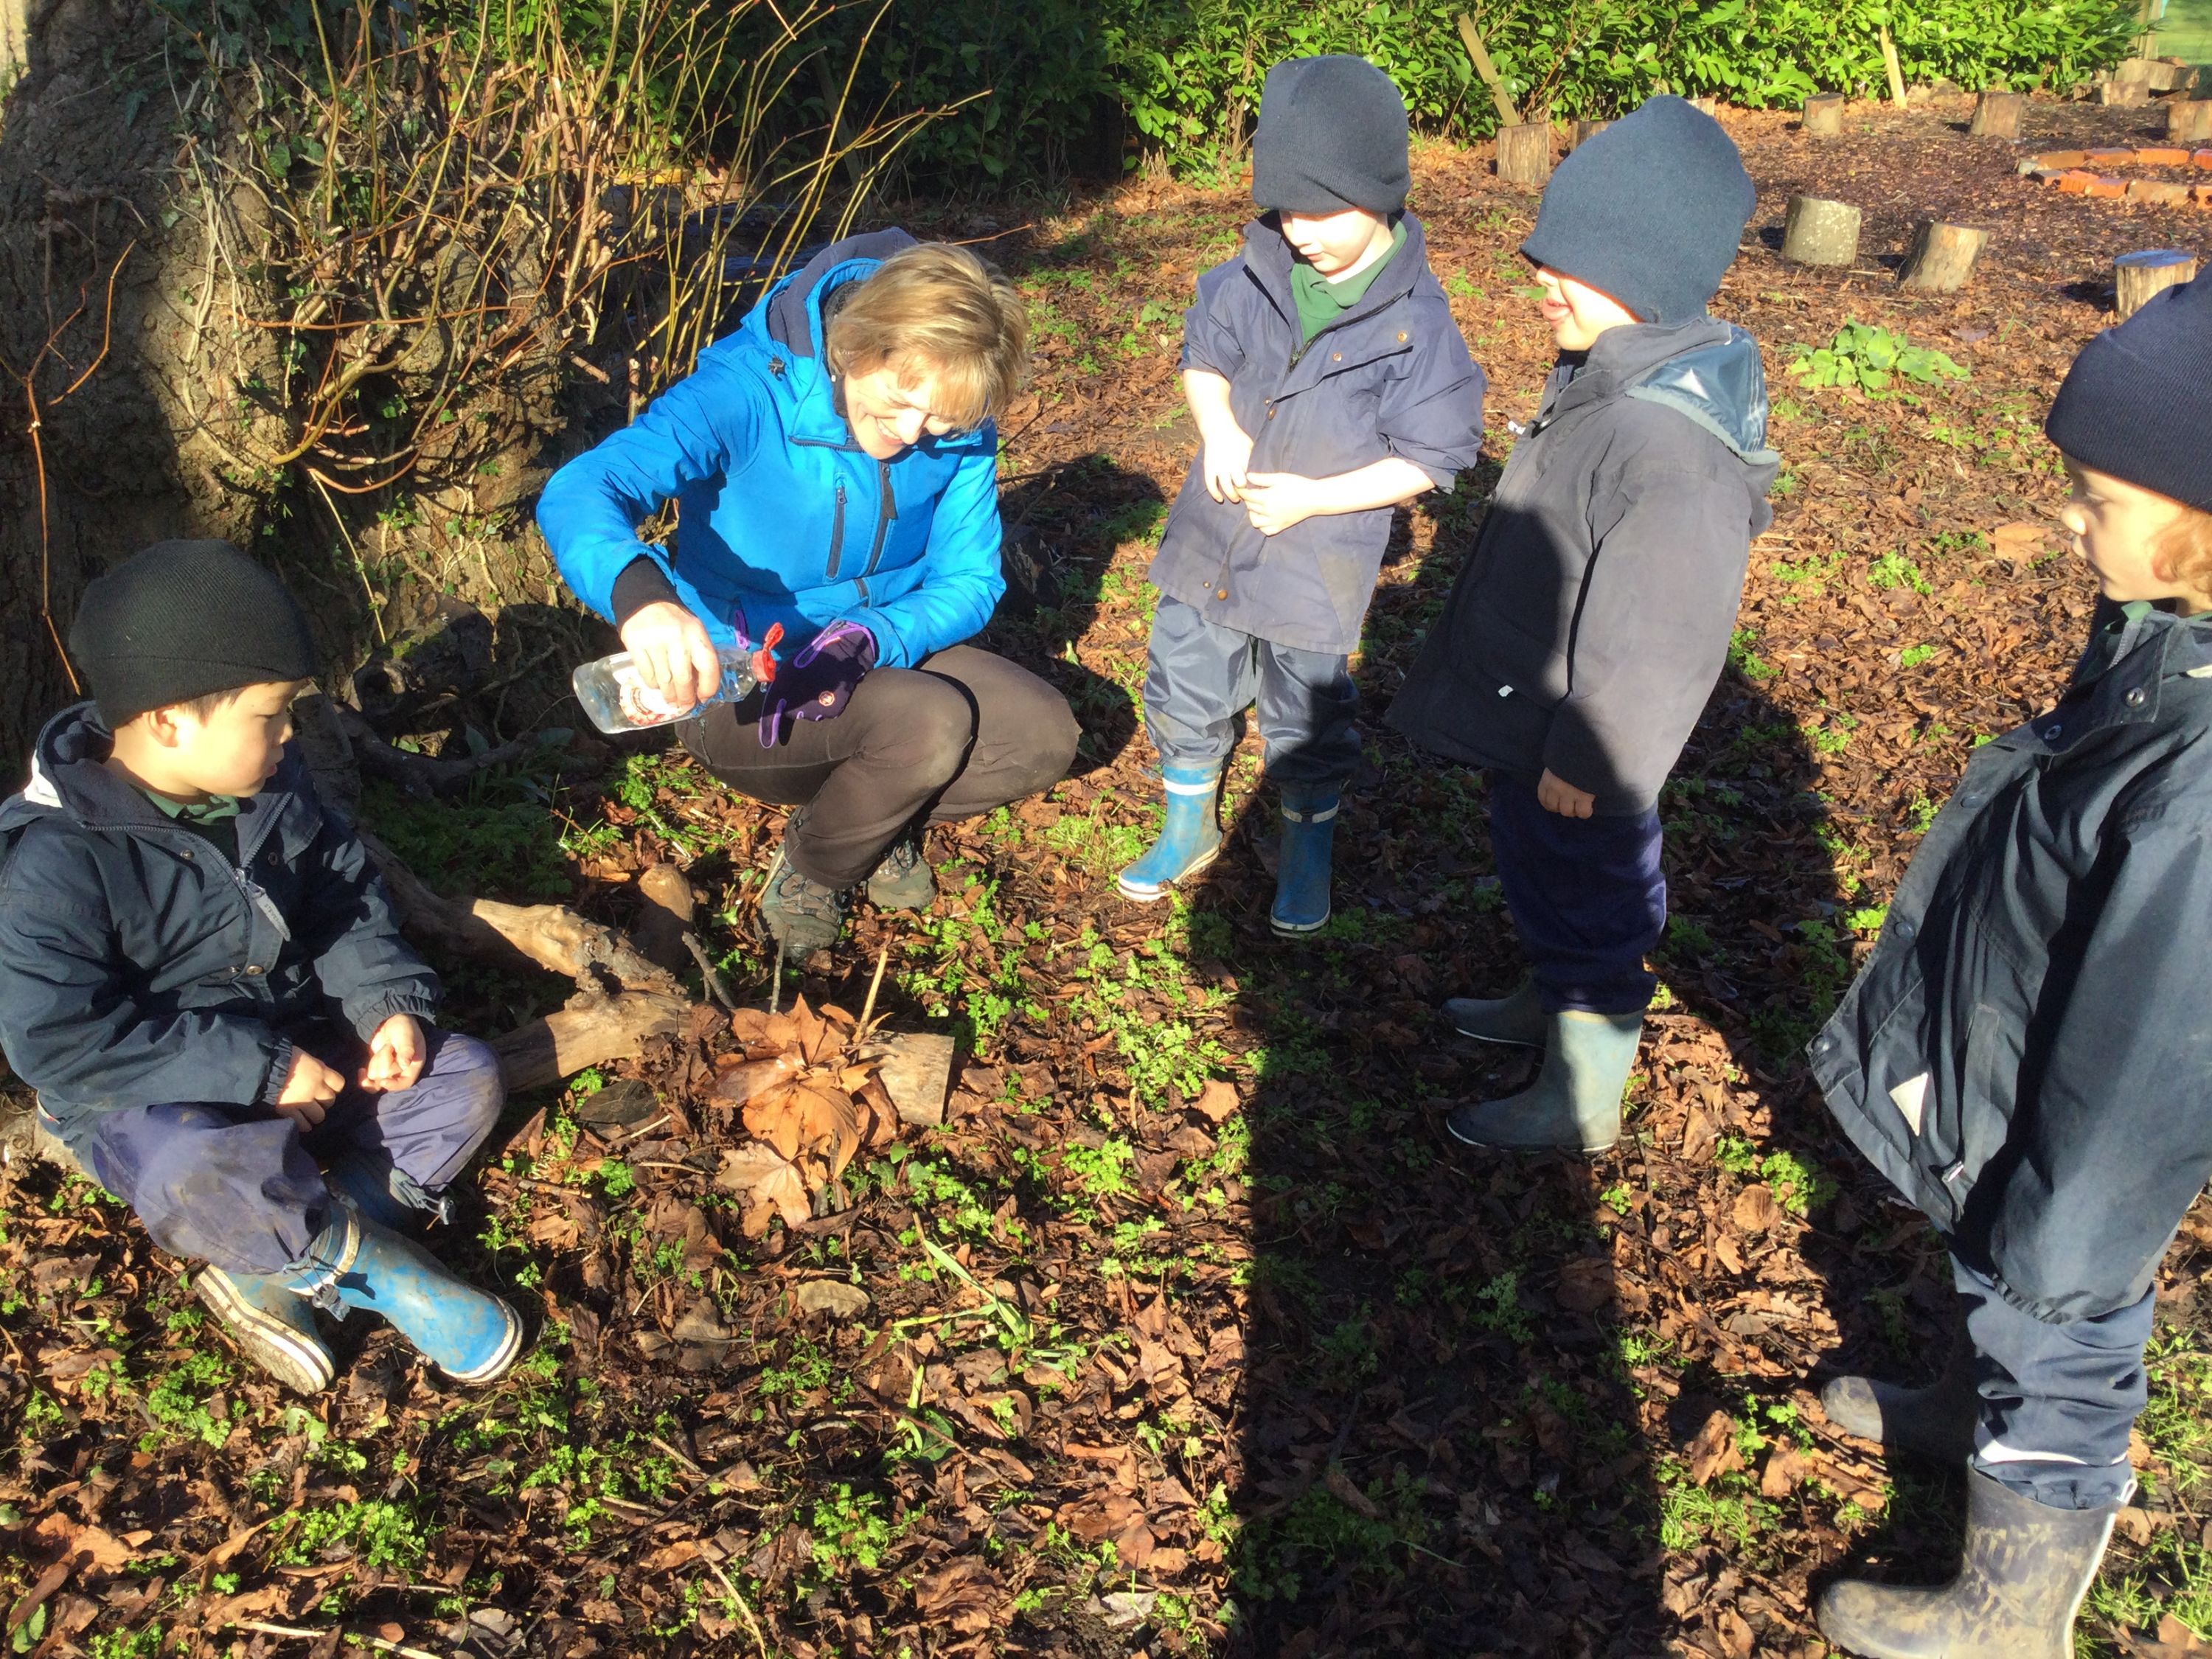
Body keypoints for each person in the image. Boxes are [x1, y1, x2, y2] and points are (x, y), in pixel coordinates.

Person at [1806, 276, 2212, 1659]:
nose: (2069, 517)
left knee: (2060, 1324)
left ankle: (2012, 1604)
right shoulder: (2164, 647)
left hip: (2087, 1128)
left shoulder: (2208, 781)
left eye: (2097, 495)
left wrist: (2070, 1231)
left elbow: (2161, 1047)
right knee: (1996, 1261)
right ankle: (1975, 1401)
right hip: (2023, 1044)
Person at [0, 540, 521, 1395]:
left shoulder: (273, 788)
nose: (288, 735)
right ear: (170, 720)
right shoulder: (58, 859)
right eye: (270, 716)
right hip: (154, 1098)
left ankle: (265, 1264)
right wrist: (260, 1071)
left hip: (297, 1045)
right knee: (195, 1169)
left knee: (462, 1080)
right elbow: (57, 1043)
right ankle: (378, 1270)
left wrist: (386, 1004)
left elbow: (342, 903)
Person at [1385, 96, 1775, 1151]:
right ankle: (1550, 996)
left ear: (1649, 275)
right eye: (1541, 252)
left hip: (1584, 744)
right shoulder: (1606, 379)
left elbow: (1660, 638)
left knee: (1593, 897)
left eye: (1574, 260)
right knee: (1540, 871)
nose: (1539, 276)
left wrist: (1593, 753)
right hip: (1542, 715)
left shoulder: (1666, 439)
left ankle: (1584, 1091)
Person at [538, 234, 1078, 958]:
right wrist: (643, 599)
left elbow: (972, 580)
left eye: (939, 422)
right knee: (930, 722)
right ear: (857, 344)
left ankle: (873, 810)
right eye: (900, 404)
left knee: (1044, 733)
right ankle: (817, 866)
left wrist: (872, 638)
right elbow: (583, 488)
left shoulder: (958, 422)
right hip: (743, 680)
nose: (914, 435)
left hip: (885, 654)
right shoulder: (747, 393)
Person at [1116, 54, 1485, 936]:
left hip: (1315, 561)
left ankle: (1305, 849)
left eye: (1323, 211)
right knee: (1185, 676)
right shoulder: (1254, 271)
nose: (1301, 230)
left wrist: (1317, 501)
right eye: (1286, 208)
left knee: (1307, 711)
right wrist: (1221, 431)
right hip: (1213, 535)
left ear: (1382, 194)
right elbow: (1201, 357)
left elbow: (1435, 457)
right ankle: (1187, 825)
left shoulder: (1417, 324)